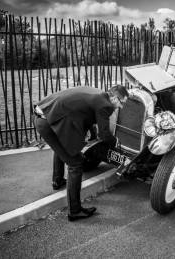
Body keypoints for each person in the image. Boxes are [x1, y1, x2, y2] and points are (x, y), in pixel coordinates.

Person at [34, 85, 129, 221]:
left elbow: (84, 112)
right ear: (114, 97)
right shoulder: (106, 106)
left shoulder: (99, 95)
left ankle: (58, 180)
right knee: (76, 164)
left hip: (44, 114)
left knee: (63, 146)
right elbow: (105, 135)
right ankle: (75, 211)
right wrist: (116, 143)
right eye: (121, 102)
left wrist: (92, 131)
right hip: (49, 122)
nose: (121, 107)